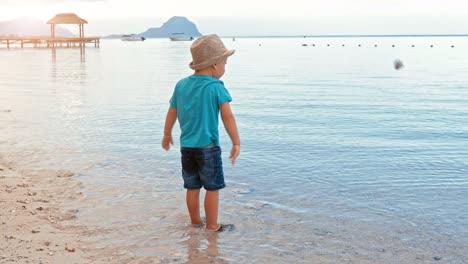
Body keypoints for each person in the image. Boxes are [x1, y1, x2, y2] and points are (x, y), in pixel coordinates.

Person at [162, 34, 240, 232]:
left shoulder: (181, 85)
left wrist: (167, 134)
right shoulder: (216, 87)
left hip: (187, 147)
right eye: (224, 63)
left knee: (192, 187)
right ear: (214, 65)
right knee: (213, 188)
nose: (225, 67)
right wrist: (236, 142)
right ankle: (212, 225)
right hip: (208, 148)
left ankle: (196, 221)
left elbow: (172, 111)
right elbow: (227, 117)